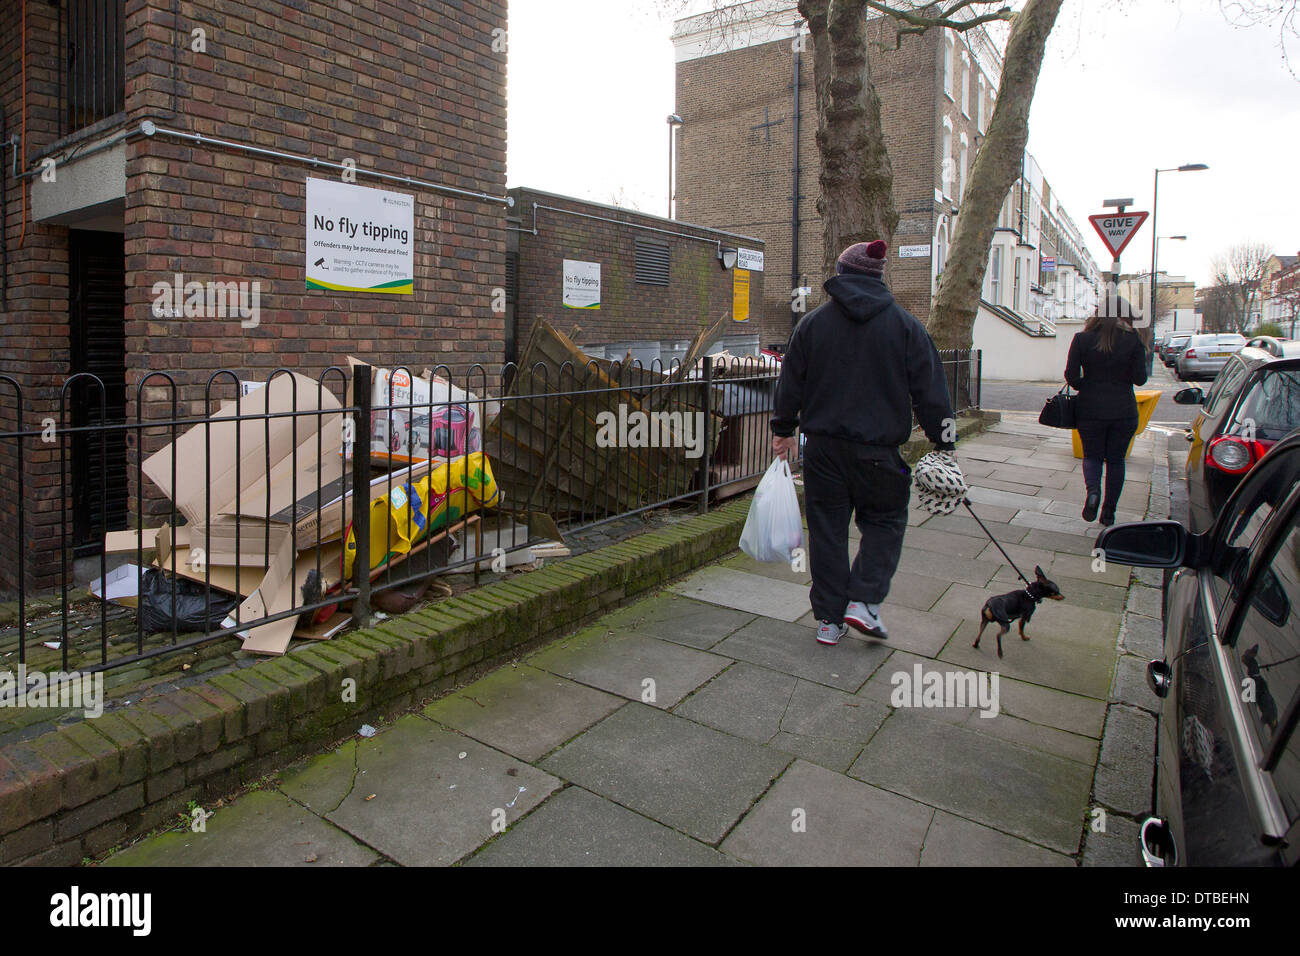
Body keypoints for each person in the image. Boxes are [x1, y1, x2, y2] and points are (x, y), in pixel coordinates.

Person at [770, 239, 959, 647]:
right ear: (879, 275)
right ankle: (864, 602)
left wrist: (783, 429)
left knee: (827, 532)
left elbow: (791, 384)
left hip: (823, 451)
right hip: (879, 453)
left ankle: (829, 620)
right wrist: (945, 443)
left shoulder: (813, 325)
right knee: (886, 524)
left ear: (841, 273)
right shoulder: (907, 327)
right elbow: (931, 392)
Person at [1064, 297, 1148, 527]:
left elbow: (1071, 376)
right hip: (1124, 410)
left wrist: (1088, 386)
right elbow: (1140, 379)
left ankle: (1092, 492)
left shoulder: (1082, 339)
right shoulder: (1134, 341)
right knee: (1116, 461)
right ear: (1126, 315)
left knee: (1092, 456)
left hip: (1090, 408)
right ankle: (1109, 513)